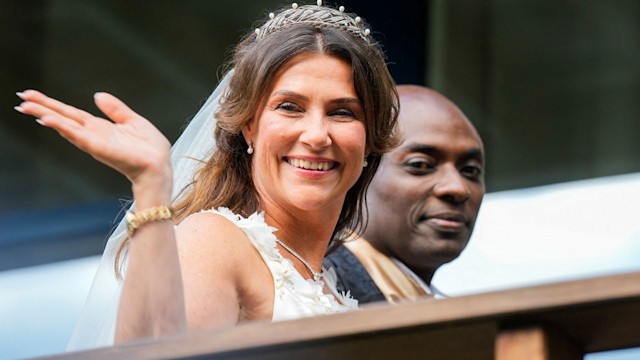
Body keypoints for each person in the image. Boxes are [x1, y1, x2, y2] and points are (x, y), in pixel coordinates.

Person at [14, 2, 400, 350]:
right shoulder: (217, 240)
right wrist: (151, 185)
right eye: (289, 107)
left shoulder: (335, 289)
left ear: (369, 140)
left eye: (343, 112)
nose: (316, 135)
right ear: (249, 126)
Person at [324, 85, 485, 304]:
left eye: (470, 170)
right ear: (360, 172)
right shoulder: (315, 290)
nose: (457, 188)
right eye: (420, 164)